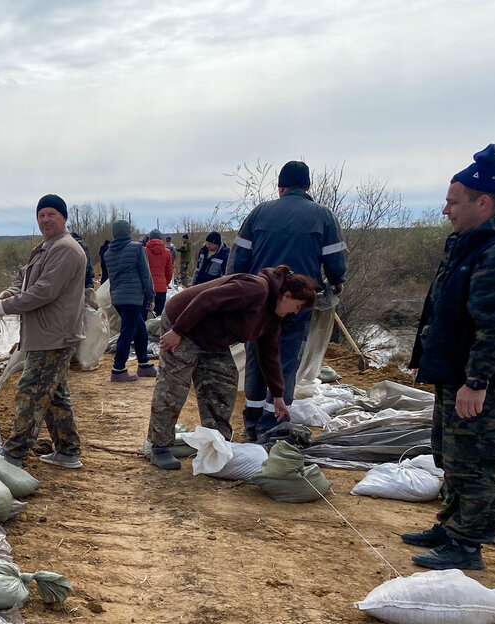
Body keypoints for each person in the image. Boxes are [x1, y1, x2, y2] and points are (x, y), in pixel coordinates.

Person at [403, 143, 495, 571]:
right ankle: (451, 525)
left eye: (452, 202)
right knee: (449, 455)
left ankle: (467, 545)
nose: (446, 211)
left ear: (484, 202)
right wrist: (421, 355)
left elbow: (494, 325)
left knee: (474, 461)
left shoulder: (494, 252)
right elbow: (441, 308)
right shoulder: (463, 244)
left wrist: (477, 382)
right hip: (451, 372)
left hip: (478, 382)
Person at [146, 266, 317, 470]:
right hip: (184, 324)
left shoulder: (273, 316)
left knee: (223, 383)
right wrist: (177, 331)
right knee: (174, 386)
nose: (295, 312)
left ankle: (216, 443)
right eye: (297, 306)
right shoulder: (255, 289)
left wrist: (278, 395)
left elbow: (269, 354)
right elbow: (206, 300)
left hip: (214, 340)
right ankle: (160, 446)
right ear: (287, 296)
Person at [231, 161, 347, 440]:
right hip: (297, 302)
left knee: (258, 355)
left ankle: (252, 420)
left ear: (280, 187)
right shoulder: (323, 216)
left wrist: (239, 292)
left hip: (259, 300)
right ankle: (273, 422)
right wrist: (334, 284)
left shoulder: (259, 213)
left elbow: (238, 258)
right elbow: (337, 264)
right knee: (287, 358)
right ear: (308, 187)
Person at [0, 194, 87, 469]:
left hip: (53, 335)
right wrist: (9, 291)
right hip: (44, 334)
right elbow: (25, 278)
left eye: (51, 214)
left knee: (30, 393)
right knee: (55, 395)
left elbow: (44, 291)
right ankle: (68, 451)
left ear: (64, 218)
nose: (45, 220)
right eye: (41, 215)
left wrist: (6, 306)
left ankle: (13, 455)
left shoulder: (66, 249)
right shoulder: (44, 247)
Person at [104, 221, 157, 383]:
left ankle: (144, 364)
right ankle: (118, 369)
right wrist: (151, 295)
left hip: (117, 298)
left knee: (140, 329)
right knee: (127, 332)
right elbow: (145, 274)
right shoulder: (136, 248)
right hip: (133, 297)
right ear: (128, 231)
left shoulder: (108, 253)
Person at [144, 229, 175, 317]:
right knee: (158, 317)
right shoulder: (167, 252)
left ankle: (146, 330)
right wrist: (165, 283)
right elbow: (169, 272)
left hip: (147, 288)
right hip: (161, 288)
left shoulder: (144, 251)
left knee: (146, 315)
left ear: (149, 238)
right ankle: (157, 331)